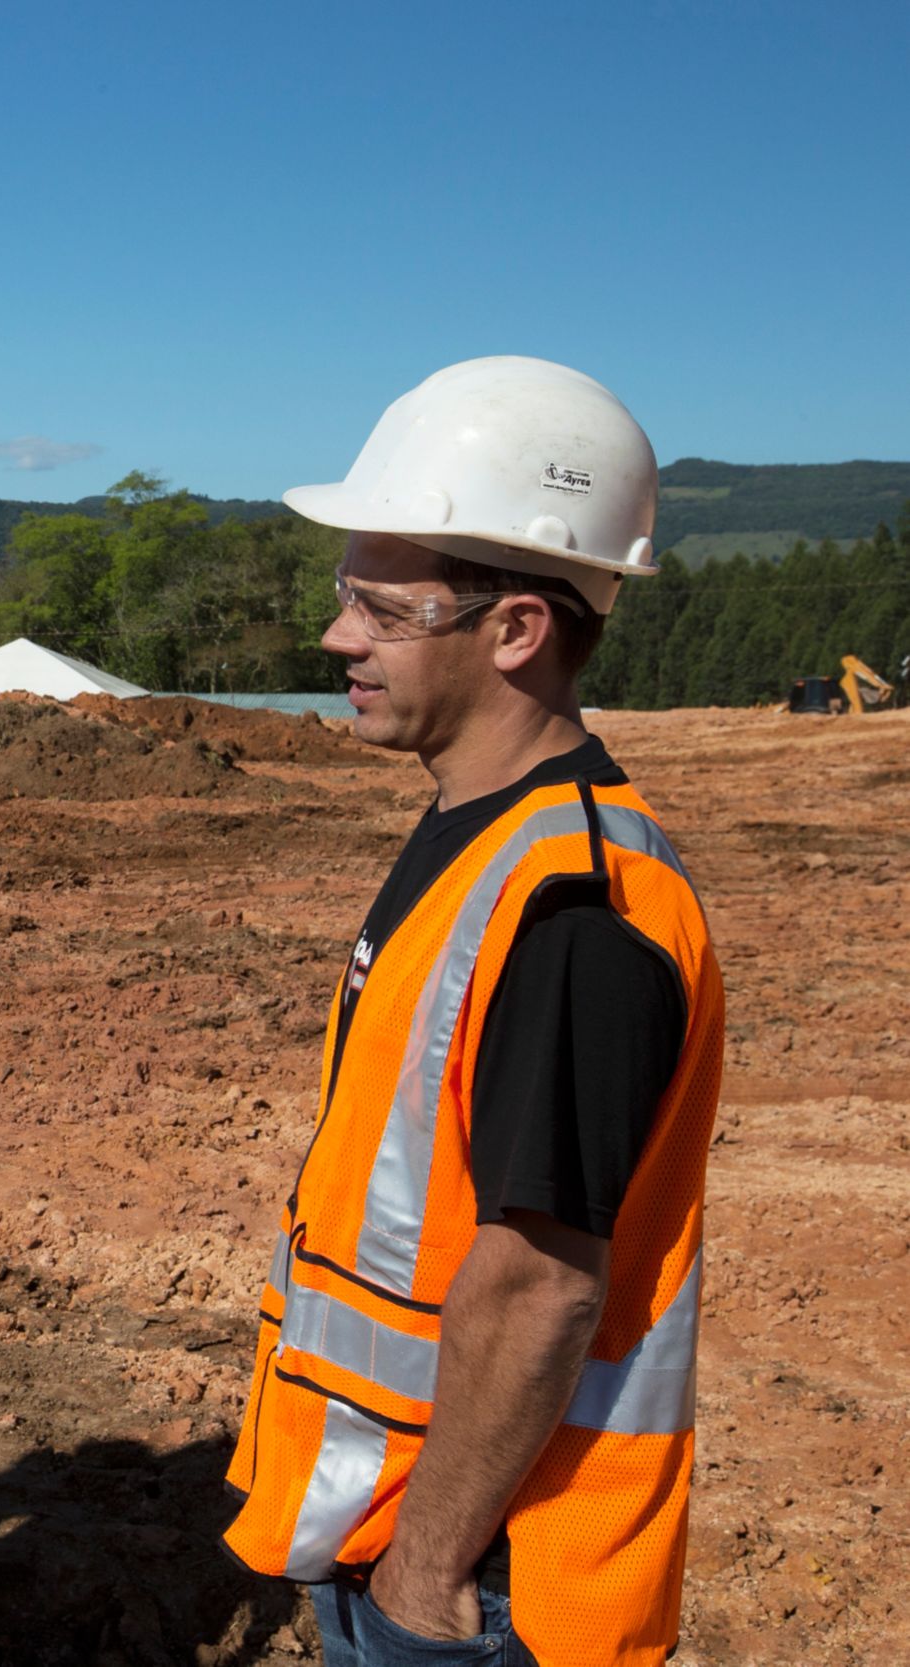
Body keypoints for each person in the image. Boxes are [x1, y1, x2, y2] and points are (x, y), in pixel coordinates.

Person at [221, 359, 725, 1667]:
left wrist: (425, 1578)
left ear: (515, 628)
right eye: (347, 597)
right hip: (410, 1530)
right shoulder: (475, 835)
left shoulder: (574, 910)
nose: (340, 639)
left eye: (383, 609)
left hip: (492, 1582)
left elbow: (541, 1287)